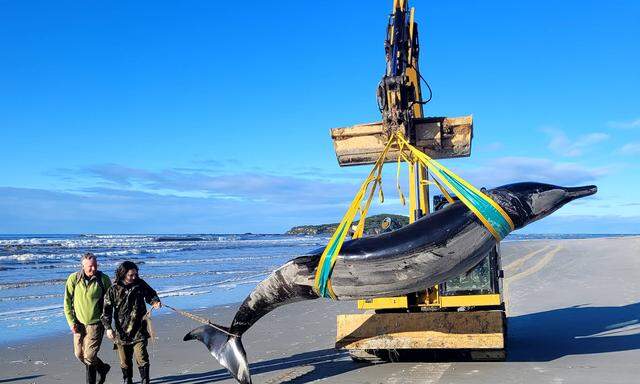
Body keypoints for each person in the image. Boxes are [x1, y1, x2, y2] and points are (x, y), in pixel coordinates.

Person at [102, 261, 161, 384]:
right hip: (121, 331)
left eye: (136, 274)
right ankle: (127, 380)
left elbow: (151, 294)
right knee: (125, 360)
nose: (134, 277)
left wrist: (155, 302)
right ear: (123, 274)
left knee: (142, 356)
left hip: (139, 329)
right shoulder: (113, 289)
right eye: (131, 275)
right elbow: (106, 311)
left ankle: (145, 380)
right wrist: (108, 328)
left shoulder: (140, 284)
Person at [63, 253, 112, 384]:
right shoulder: (73, 279)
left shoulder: (103, 279)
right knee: (79, 354)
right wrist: (71, 322)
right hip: (78, 324)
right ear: (83, 266)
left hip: (95, 324)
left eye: (95, 265)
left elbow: (110, 302)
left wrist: (109, 324)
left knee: (89, 356)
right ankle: (102, 368)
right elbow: (67, 303)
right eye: (90, 266)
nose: (93, 268)